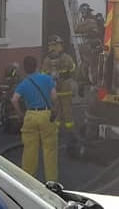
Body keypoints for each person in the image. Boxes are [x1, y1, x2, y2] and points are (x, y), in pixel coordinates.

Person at [12, 55, 59, 183]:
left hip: (30, 115)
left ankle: (28, 181)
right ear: (36, 66)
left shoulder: (23, 84)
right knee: (49, 149)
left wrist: (20, 115)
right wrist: (55, 109)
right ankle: (51, 182)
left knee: (29, 149)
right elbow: (54, 97)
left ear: (25, 69)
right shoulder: (47, 79)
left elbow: (14, 100)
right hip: (46, 114)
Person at [42, 35, 76, 131]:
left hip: (53, 91)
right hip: (66, 89)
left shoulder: (46, 60)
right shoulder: (67, 58)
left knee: (56, 110)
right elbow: (73, 70)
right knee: (67, 110)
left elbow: (43, 76)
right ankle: (69, 130)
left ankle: (56, 129)